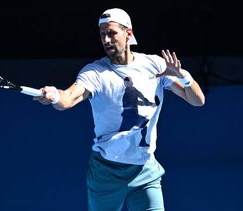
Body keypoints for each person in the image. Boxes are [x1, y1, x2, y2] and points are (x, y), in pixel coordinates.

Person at [33, 7, 205, 211]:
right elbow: (68, 98)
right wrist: (54, 95)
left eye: (112, 33)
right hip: (106, 173)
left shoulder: (155, 66)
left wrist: (183, 76)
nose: (106, 40)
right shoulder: (94, 73)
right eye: (102, 35)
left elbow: (197, 100)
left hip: (145, 171)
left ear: (128, 33)